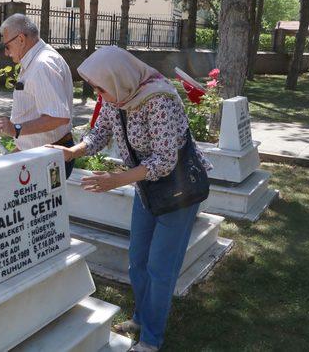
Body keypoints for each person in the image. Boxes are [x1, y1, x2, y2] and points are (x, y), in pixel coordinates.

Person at [47, 46, 211, 352]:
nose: (98, 94)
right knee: (137, 261)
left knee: (161, 268)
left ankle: (151, 339)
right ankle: (141, 317)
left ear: (117, 78)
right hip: (147, 188)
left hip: (178, 192)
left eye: (99, 87)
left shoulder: (158, 100)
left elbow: (165, 160)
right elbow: (99, 135)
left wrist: (117, 179)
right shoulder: (118, 97)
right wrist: (72, 151)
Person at [0, 13, 76, 178]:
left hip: (48, 159)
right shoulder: (36, 60)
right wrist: (19, 150)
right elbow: (35, 111)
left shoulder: (42, 65)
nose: (6, 53)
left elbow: (58, 117)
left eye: (6, 46)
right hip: (41, 156)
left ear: (21, 39)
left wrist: (16, 129)